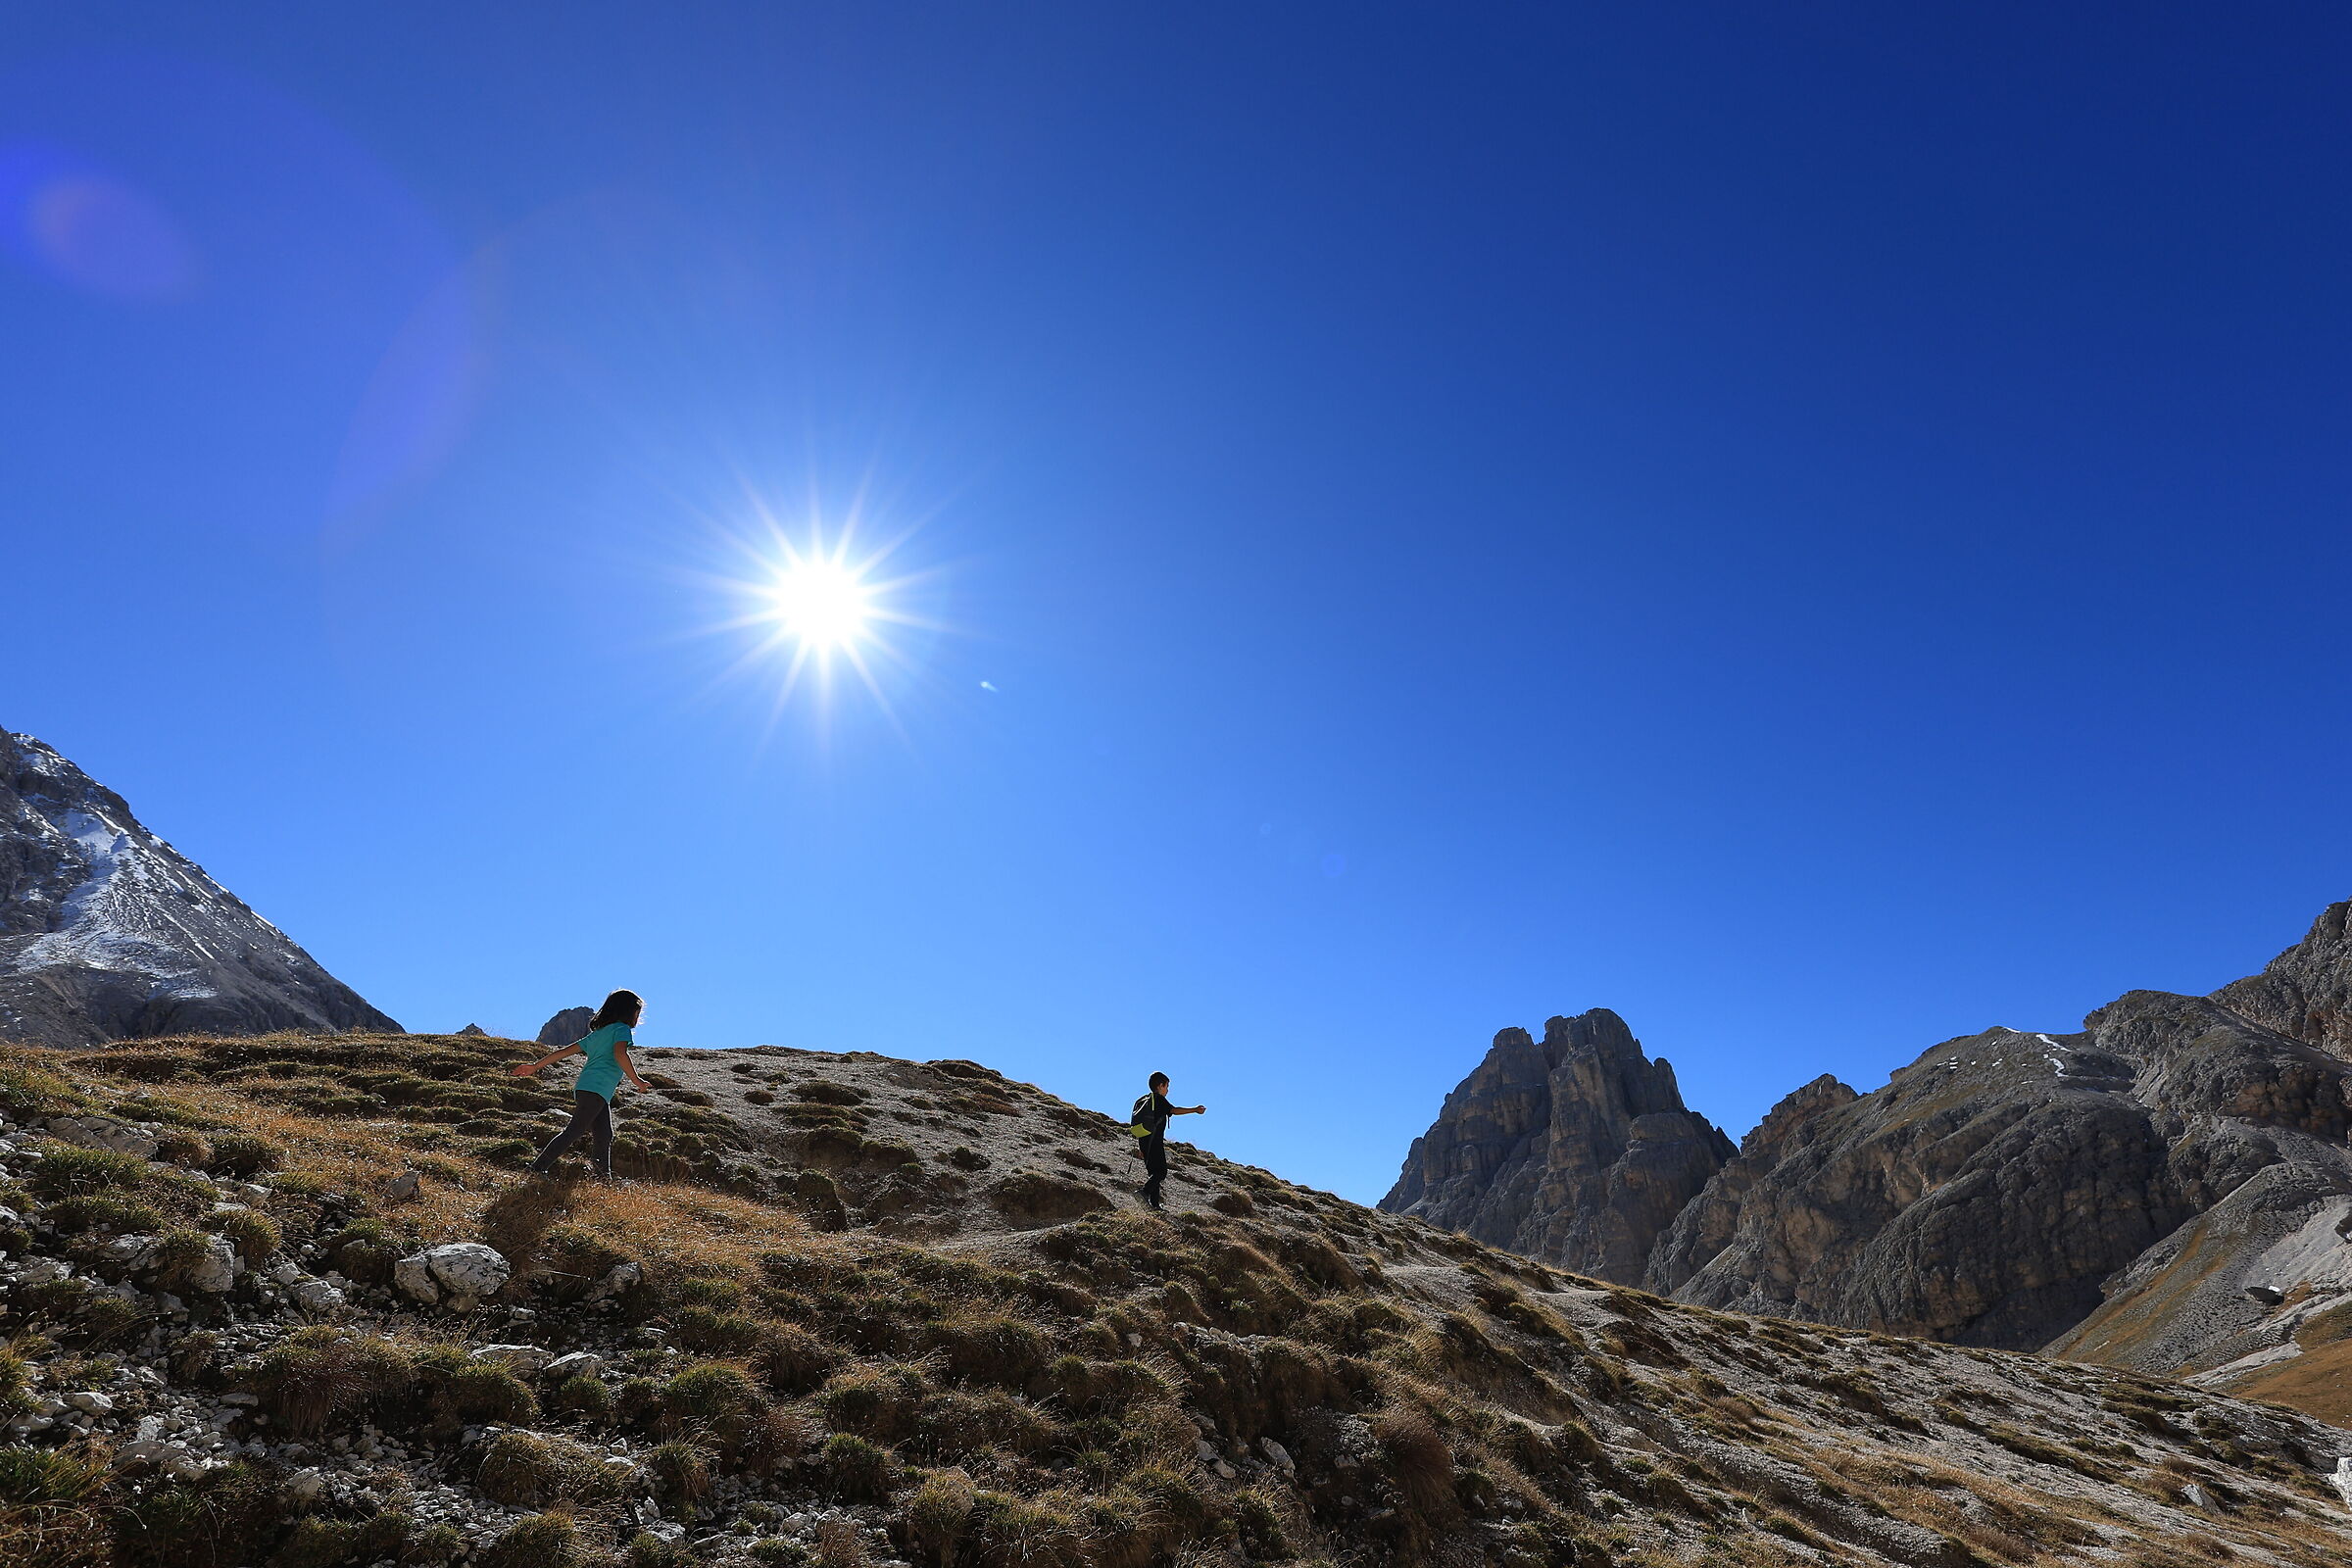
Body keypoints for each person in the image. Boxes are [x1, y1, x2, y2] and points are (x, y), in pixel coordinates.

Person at [513, 989, 653, 1180]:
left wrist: (535, 1066)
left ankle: (603, 1179)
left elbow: (563, 1052)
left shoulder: (598, 1034)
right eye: (638, 1012)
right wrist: (638, 1081)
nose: (638, 1017)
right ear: (629, 1011)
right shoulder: (621, 1030)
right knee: (574, 1131)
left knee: (604, 1135)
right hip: (596, 1088)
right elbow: (620, 1054)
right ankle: (537, 1168)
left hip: (590, 1089)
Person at [1128, 1070, 1205, 1210]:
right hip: (1155, 1141)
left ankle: (1155, 1205)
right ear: (1160, 1085)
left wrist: (1141, 1148)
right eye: (1167, 1086)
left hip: (1144, 1141)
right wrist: (1194, 1110)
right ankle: (1144, 1192)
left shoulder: (1146, 1099)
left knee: (1154, 1172)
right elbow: (1174, 1110)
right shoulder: (1158, 1099)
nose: (1167, 1090)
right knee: (1161, 1171)